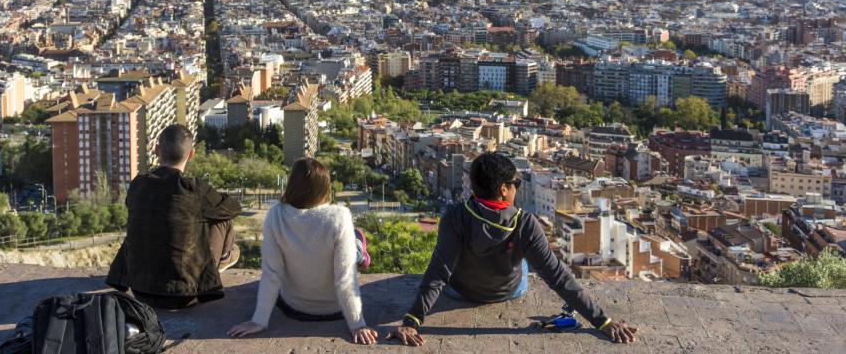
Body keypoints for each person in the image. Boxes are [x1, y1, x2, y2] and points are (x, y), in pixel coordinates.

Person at [390, 152, 637, 346]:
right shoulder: (525, 223)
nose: (517, 187)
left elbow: (439, 271)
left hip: (458, 291)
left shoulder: (455, 215)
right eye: (514, 183)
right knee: (532, 261)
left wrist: (413, 319)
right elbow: (557, 276)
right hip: (508, 291)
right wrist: (602, 321)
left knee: (446, 257)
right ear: (503, 190)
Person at [228, 158, 378, 345]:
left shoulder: (275, 215)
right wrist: (357, 324)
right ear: (324, 187)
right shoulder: (339, 216)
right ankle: (359, 247)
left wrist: (258, 320)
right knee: (354, 242)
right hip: (335, 310)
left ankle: (357, 246)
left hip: (293, 307)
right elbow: (345, 278)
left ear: (292, 184)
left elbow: (271, 273)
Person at [106, 124, 241, 309]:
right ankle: (224, 259)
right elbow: (233, 208)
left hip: (140, 291)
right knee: (222, 218)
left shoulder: (138, 185)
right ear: (191, 154)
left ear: (156, 149)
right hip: (185, 295)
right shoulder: (194, 189)